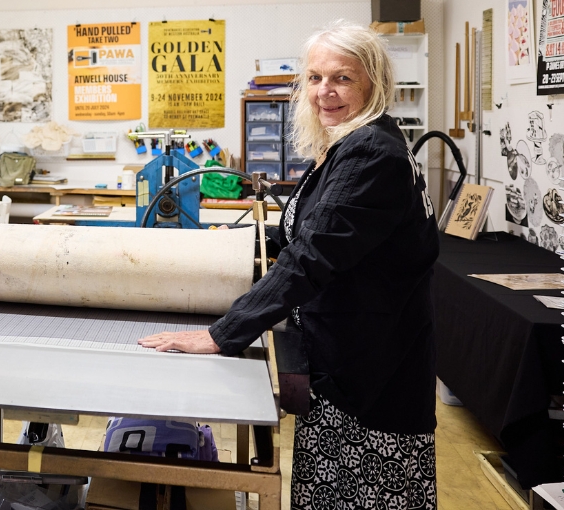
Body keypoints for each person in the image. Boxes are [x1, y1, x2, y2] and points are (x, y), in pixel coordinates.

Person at [138, 21, 439, 509]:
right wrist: (235, 241)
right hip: (345, 361)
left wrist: (222, 333)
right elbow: (317, 229)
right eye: (315, 77)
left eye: (342, 78)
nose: (325, 92)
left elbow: (313, 256)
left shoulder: (370, 155)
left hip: (369, 376)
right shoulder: (347, 145)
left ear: (374, 82)